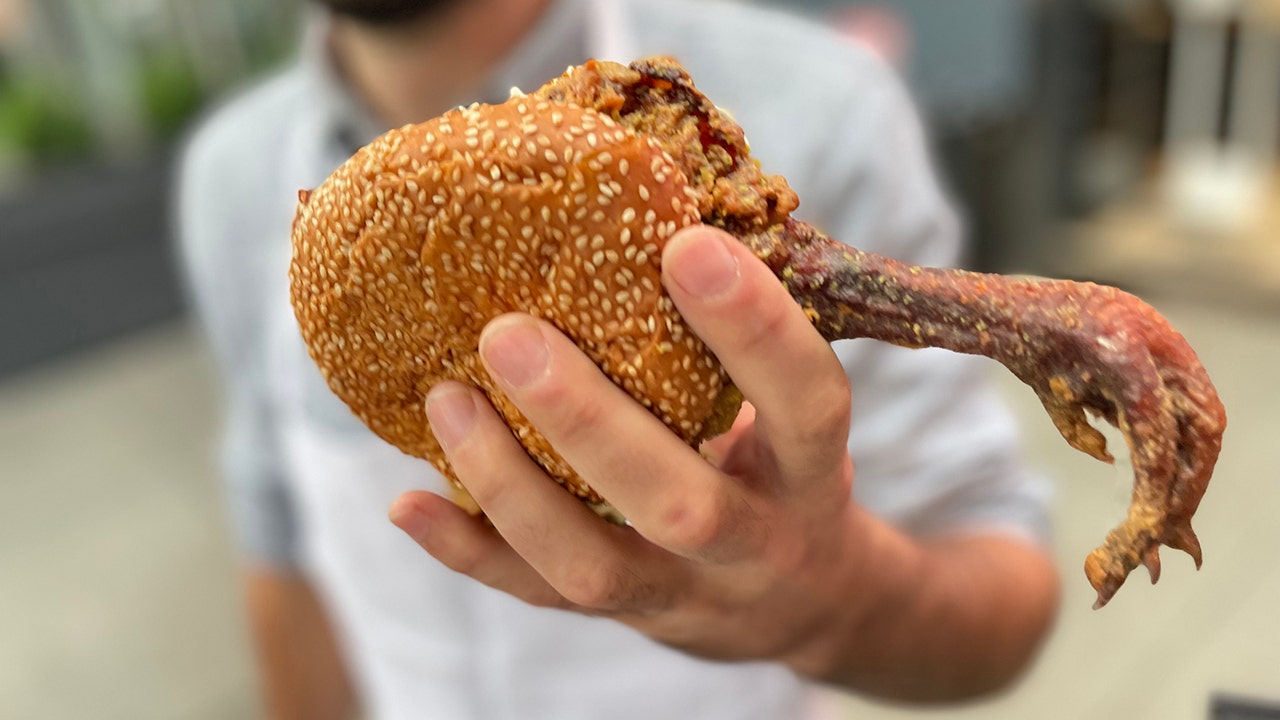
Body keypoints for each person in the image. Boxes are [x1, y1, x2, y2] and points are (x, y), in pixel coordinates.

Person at [177, 0, 1060, 718]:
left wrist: (834, 604)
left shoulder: (824, 107)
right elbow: (280, 548)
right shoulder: (233, 174)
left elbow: (1006, 590)